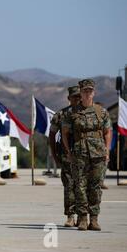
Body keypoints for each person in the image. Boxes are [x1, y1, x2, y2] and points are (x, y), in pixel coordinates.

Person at [62, 79, 112, 231]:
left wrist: (107, 150)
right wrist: (69, 152)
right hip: (79, 153)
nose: (87, 93)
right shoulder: (72, 112)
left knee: (95, 186)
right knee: (80, 186)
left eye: (90, 91)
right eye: (85, 91)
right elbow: (64, 133)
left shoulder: (101, 112)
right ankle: (82, 218)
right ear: (81, 93)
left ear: (94, 93)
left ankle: (94, 219)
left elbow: (108, 131)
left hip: (98, 153)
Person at [49, 86, 80, 227]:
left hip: (84, 155)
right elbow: (52, 135)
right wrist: (55, 155)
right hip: (67, 155)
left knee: (82, 186)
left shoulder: (86, 113)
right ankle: (70, 216)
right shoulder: (60, 115)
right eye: (74, 96)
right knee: (69, 186)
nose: (77, 99)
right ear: (69, 98)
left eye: (79, 96)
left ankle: (82, 216)